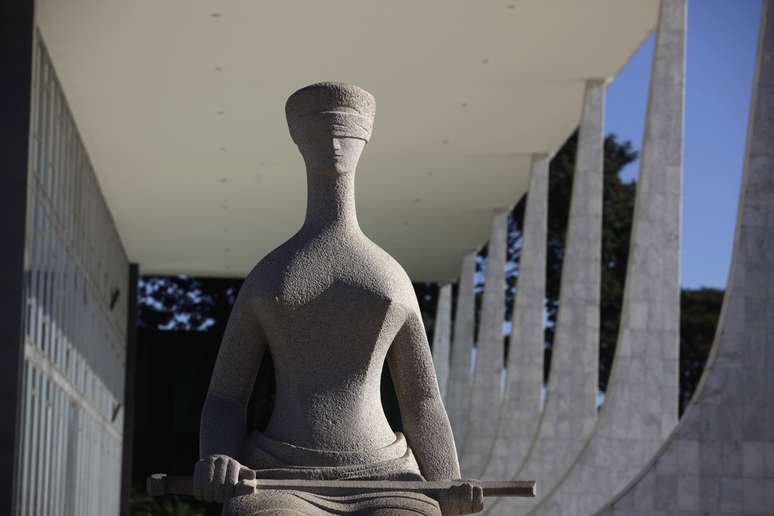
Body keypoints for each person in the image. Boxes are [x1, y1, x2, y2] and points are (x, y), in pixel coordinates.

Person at [193, 82, 482, 515]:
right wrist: (216, 457)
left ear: (363, 142)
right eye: (320, 133)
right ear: (299, 143)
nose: (333, 144)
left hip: (387, 474)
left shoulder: (388, 275)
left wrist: (447, 480)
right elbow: (226, 396)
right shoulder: (270, 274)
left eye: (344, 133)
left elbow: (422, 398)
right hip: (277, 474)